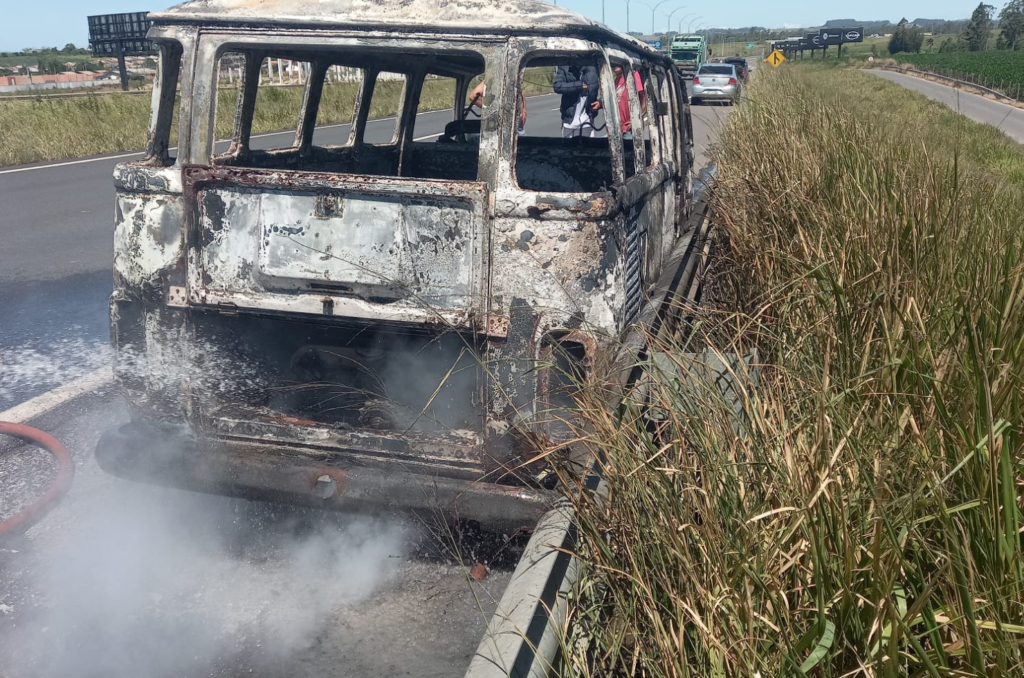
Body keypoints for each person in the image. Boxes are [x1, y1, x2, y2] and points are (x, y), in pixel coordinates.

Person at [553, 64, 601, 138]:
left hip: (587, 122)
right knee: (569, 149)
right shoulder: (564, 67)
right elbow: (557, 86)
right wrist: (579, 86)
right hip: (569, 124)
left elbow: (606, 86)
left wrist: (600, 103)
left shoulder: (593, 66)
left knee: (589, 149)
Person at [612, 64, 645, 140]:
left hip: (629, 129)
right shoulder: (617, 79)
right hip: (618, 128)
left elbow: (644, 98)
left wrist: (636, 120)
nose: (614, 66)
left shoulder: (632, 75)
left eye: (617, 64)